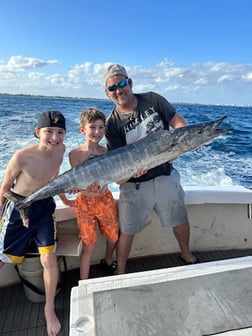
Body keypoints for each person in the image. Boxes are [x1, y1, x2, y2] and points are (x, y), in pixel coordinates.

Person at [103, 64, 199, 275]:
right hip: (134, 184)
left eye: (121, 84)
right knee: (127, 230)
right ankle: (121, 270)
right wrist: (130, 172)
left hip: (165, 175)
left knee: (180, 219)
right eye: (112, 88)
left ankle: (186, 253)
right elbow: (118, 162)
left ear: (130, 83)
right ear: (107, 92)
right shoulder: (112, 124)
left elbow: (176, 120)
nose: (118, 90)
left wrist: (188, 137)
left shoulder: (153, 99)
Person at [0, 110, 74, 336]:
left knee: (49, 258)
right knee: (2, 259)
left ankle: (48, 309)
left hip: (43, 208)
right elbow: (4, 190)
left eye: (60, 132)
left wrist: (65, 199)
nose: (55, 137)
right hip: (16, 209)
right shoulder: (22, 156)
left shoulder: (60, 150)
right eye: (49, 131)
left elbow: (54, 178)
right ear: (37, 132)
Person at [69, 107, 119, 280]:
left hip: (105, 200)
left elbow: (112, 178)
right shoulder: (74, 154)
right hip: (85, 204)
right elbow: (76, 184)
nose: (97, 132)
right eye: (92, 127)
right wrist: (85, 192)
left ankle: (108, 259)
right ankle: (84, 282)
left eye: (101, 127)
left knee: (113, 236)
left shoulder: (107, 152)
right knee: (88, 245)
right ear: (82, 129)